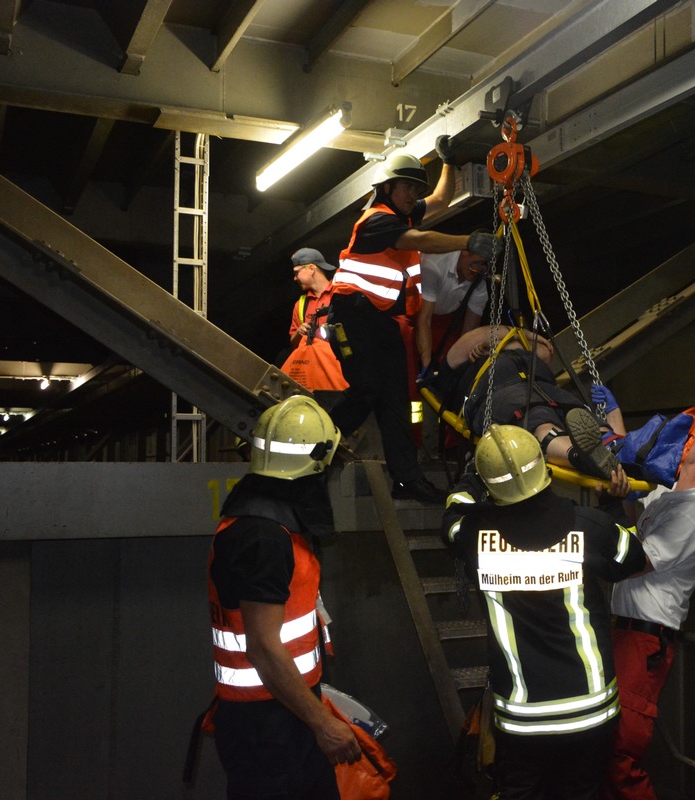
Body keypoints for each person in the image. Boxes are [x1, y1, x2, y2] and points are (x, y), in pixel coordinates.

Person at [442, 424, 648, 800]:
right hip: (591, 711)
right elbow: (634, 558)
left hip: (522, 719)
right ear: (543, 469)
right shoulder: (589, 527)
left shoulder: (474, 535)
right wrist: (613, 507)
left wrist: (469, 482)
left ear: (491, 486)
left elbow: (452, 521)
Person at [206, 395, 361, 799]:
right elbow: (263, 648)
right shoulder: (263, 535)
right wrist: (323, 724)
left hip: (282, 712)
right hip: (267, 727)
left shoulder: (268, 517)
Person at [328, 150, 496, 503]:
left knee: (397, 401)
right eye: (406, 187)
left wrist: (449, 159)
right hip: (352, 316)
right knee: (367, 387)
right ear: (387, 187)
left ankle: (407, 480)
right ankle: (318, 447)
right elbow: (418, 241)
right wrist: (468, 241)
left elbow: (440, 199)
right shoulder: (376, 221)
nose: (413, 195)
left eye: (414, 189)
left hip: (383, 322)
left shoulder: (404, 215)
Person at [601, 416, 695, 800]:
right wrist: (612, 423)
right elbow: (634, 497)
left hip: (645, 640)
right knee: (600, 743)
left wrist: (612, 511)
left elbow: (636, 562)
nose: (682, 435)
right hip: (623, 632)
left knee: (619, 752)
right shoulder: (666, 494)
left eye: (693, 433)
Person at [430, 324, 623, 480]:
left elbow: (545, 350)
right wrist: (513, 340)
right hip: (499, 390)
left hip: (541, 384)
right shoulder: (455, 362)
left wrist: (502, 345)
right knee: (537, 419)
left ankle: (613, 447)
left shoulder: (498, 347)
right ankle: (580, 456)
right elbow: (477, 335)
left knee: (574, 410)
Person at [280, 247, 350, 396]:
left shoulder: (341, 294)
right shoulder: (301, 304)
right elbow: (294, 344)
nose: (294, 278)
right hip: (312, 381)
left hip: (341, 377)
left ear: (311, 268)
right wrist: (299, 333)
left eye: (296, 272)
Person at [414, 248, 489, 371]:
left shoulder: (480, 288)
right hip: (416, 314)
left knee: (449, 362)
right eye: (478, 262)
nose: (479, 269)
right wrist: (426, 367)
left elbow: (469, 335)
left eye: (484, 265)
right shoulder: (435, 265)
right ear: (465, 252)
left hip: (442, 320)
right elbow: (423, 320)